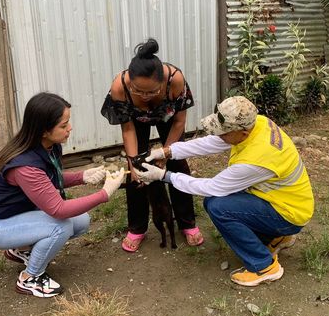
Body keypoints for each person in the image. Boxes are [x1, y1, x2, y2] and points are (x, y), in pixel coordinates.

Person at [134, 96, 314, 287]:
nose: (219, 135)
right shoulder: (256, 123)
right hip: (287, 202)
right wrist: (165, 152)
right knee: (222, 202)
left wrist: (164, 176)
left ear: (242, 133)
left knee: (218, 206)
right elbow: (210, 143)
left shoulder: (256, 160)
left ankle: (264, 266)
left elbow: (211, 187)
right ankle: (278, 236)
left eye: (223, 132)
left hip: (288, 214)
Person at [0, 92, 125, 298]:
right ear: (44, 130)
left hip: (13, 214)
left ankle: (21, 248)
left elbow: (46, 179)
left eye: (68, 122)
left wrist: (83, 176)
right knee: (60, 226)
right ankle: (30, 278)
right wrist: (105, 193)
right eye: (63, 125)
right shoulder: (25, 166)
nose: (70, 128)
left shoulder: (47, 146)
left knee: (81, 221)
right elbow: (58, 209)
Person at [101, 38, 203, 252]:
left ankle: (187, 222)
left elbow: (179, 122)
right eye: (138, 90)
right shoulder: (120, 86)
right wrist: (132, 163)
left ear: (162, 81)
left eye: (151, 91)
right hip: (136, 121)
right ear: (130, 82)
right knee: (137, 171)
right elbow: (128, 129)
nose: (145, 96)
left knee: (177, 163)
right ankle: (137, 227)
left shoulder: (175, 80)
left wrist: (165, 154)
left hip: (168, 118)